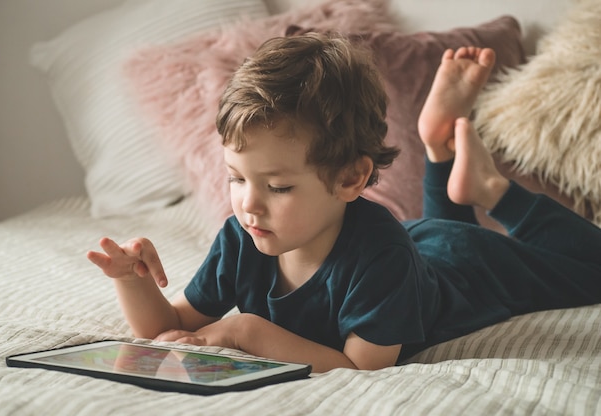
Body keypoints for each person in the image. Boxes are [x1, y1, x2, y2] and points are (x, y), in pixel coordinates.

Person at [87, 33, 601, 373]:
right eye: (236, 178)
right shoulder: (242, 237)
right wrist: (131, 280)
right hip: (423, 249)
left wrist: (244, 331)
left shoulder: (381, 256)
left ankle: (491, 189)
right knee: (437, 230)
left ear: (352, 178)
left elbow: (362, 369)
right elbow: (167, 330)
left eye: (279, 186)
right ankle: (438, 149)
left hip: (470, 265)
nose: (250, 205)